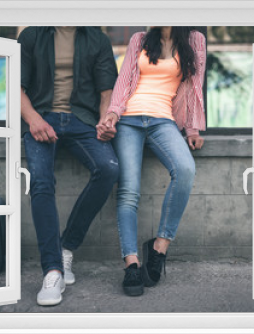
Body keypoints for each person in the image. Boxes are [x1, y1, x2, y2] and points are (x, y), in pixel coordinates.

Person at [99, 26, 206, 296]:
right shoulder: (139, 39)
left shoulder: (194, 40)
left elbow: (195, 84)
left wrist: (192, 128)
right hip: (129, 121)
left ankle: (159, 248)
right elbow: (124, 81)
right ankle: (131, 263)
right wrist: (113, 112)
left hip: (163, 121)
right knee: (128, 191)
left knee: (184, 169)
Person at [18, 26, 119, 306]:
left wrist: (104, 121)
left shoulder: (97, 38)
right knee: (41, 181)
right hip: (41, 115)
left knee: (109, 168)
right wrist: (33, 120)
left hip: (82, 119)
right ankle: (52, 271)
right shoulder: (31, 35)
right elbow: (17, 88)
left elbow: (106, 92)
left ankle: (66, 248)